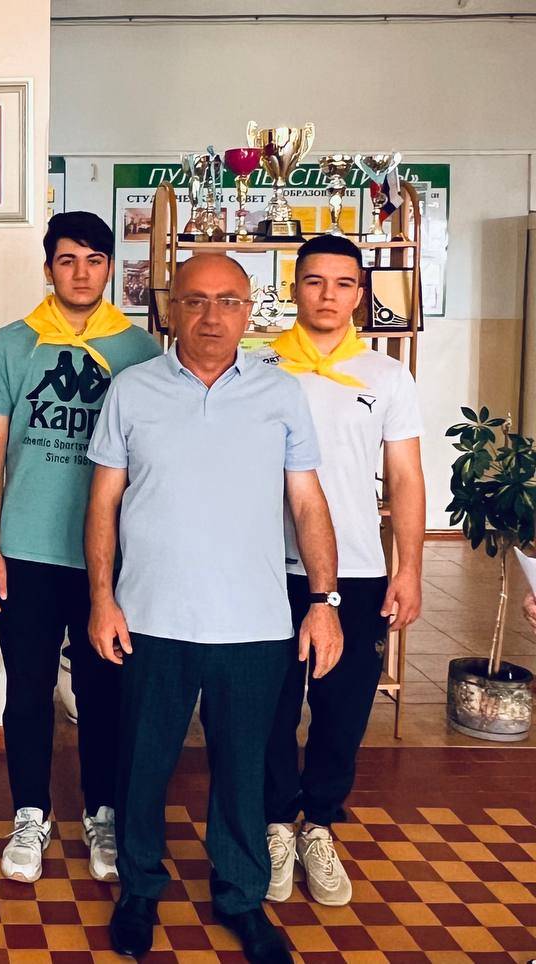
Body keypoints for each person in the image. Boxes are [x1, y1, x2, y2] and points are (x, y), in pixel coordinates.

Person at [85, 253, 341, 964]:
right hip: (150, 617)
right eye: (195, 300)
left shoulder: (280, 393)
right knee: (142, 765)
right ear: (171, 307)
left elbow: (307, 502)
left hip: (254, 622)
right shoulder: (132, 390)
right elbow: (103, 502)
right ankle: (140, 888)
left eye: (228, 301)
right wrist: (102, 598)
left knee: (244, 771)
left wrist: (323, 601)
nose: (211, 316)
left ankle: (240, 896)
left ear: (248, 310)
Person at [0, 211, 159, 885]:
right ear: (48, 268)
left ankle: (101, 812)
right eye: (68, 260)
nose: (81, 273)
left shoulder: (140, 351)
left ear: (110, 268)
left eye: (94, 260)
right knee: (28, 690)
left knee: (106, 691)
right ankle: (30, 812)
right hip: (26, 550)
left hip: (111, 559)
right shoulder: (12, 344)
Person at [260, 234, 425, 907]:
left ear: (361, 294)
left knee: (343, 706)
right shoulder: (259, 365)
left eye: (344, 283)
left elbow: (406, 477)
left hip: (356, 569)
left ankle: (320, 825)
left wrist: (408, 568)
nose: (328, 295)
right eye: (315, 281)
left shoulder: (387, 377)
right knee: (270, 705)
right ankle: (275, 823)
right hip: (265, 566)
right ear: (293, 288)